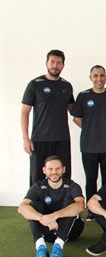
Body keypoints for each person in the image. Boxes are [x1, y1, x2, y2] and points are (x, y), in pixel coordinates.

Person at [71, 65, 106, 221]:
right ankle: (93, 211)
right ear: (90, 78)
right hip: (88, 145)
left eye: (101, 75)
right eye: (95, 76)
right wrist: (90, 128)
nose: (99, 79)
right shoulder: (83, 96)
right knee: (91, 178)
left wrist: (104, 127)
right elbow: (76, 118)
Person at [17, 156, 85, 257]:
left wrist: (54, 216)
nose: (54, 172)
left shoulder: (72, 186)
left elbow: (80, 206)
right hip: (48, 230)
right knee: (32, 206)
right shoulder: (38, 187)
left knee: (71, 205)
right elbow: (22, 207)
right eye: (50, 169)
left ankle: (58, 245)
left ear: (63, 169)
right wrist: (43, 218)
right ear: (44, 170)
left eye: (57, 169)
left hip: (72, 231)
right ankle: (40, 248)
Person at [21, 49, 75, 185]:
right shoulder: (35, 84)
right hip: (39, 140)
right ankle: (35, 206)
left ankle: (64, 205)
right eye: (52, 62)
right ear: (46, 63)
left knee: (65, 176)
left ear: (63, 65)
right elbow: (24, 112)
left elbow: (74, 111)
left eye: (58, 63)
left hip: (62, 139)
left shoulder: (66, 86)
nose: (55, 65)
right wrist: (26, 138)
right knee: (37, 178)